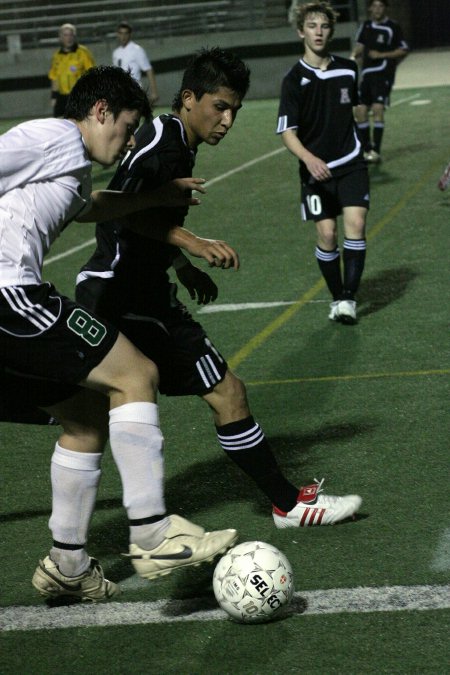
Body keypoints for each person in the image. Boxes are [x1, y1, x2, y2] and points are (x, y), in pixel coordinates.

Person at [75, 47, 362, 531]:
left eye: (236, 111)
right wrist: (193, 241)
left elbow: (146, 218)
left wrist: (182, 268)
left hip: (135, 293)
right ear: (189, 98)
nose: (227, 120)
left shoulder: (179, 142)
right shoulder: (161, 142)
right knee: (226, 392)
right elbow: (124, 210)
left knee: (82, 415)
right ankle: (285, 505)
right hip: (123, 296)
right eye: (220, 107)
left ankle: (77, 546)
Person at [0, 65, 239, 603]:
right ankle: (152, 531)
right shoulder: (52, 137)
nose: (131, 140)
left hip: (13, 298)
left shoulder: (72, 164)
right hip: (10, 294)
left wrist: (154, 196)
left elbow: (90, 209)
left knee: (84, 419)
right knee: (136, 374)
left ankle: (67, 563)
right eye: (128, 126)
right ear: (99, 111)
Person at [277, 2, 370, 324]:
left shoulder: (348, 68)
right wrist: (309, 158)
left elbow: (355, 109)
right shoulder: (293, 80)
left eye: (324, 26)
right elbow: (287, 132)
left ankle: (348, 299)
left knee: (355, 226)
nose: (319, 32)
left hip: (351, 163)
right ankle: (337, 296)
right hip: (315, 171)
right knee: (328, 235)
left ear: (331, 30)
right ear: (301, 31)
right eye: (312, 26)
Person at [350, 0, 409, 163]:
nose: (377, 9)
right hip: (367, 74)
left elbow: (403, 49)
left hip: (383, 74)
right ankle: (367, 149)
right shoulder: (366, 25)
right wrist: (353, 56)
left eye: (381, 6)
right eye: (374, 6)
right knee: (360, 110)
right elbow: (360, 46)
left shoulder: (393, 27)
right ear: (369, 8)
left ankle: (376, 151)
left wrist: (382, 56)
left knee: (377, 108)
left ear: (385, 8)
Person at [48, 23, 96, 118]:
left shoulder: (83, 52)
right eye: (65, 35)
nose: (68, 38)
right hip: (62, 97)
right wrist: (54, 97)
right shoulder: (57, 56)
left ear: (74, 37)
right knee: (58, 125)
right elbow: (55, 78)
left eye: (71, 35)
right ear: (60, 37)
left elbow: (92, 75)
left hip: (78, 97)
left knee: (79, 126)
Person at [113, 21, 159, 106]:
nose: (123, 36)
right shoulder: (116, 52)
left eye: (126, 33)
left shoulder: (137, 50)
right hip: (120, 93)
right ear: (117, 34)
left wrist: (154, 92)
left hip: (134, 91)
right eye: (121, 33)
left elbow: (148, 69)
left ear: (130, 34)